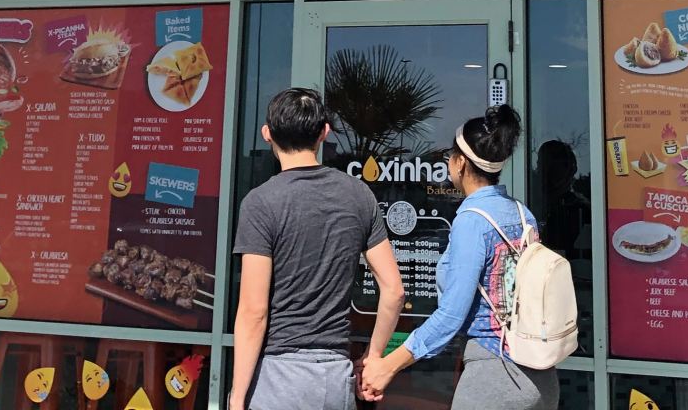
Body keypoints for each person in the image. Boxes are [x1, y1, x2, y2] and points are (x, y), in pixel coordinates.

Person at [362, 105, 558, 409]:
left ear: (461, 163)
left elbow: (451, 315)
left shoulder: (472, 220)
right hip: (542, 375)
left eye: (450, 156)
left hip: (496, 376)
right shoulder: (522, 213)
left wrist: (388, 366)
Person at [232, 87, 406, 410]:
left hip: (279, 378)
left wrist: (237, 397)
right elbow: (394, 291)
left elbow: (253, 312)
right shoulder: (359, 195)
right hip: (336, 378)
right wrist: (373, 357)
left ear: (267, 134)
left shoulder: (260, 203)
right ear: (324, 133)